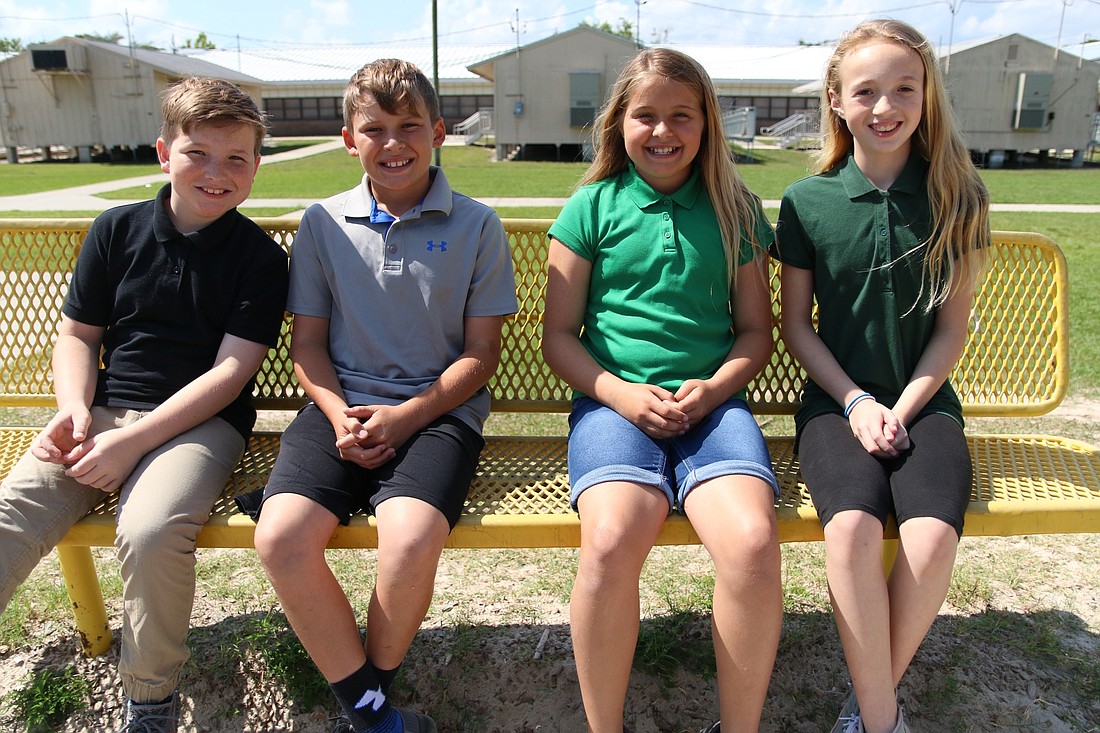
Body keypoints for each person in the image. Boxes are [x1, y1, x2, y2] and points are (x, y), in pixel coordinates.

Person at [0, 77, 289, 732]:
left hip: (201, 427)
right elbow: (77, 334)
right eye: (198, 153)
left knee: (152, 529)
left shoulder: (260, 261)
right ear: (165, 153)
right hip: (102, 415)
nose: (216, 173)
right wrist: (74, 407)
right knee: (12, 512)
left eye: (235, 158)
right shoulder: (116, 230)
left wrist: (133, 442)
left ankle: (150, 696)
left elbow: (230, 373)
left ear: (255, 167)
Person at [244, 59, 517, 733]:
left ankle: (370, 702)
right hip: (338, 410)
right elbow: (309, 345)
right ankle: (375, 716)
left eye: (410, 127)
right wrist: (339, 413)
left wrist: (406, 417)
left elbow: (482, 354)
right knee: (279, 536)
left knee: (409, 540)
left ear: (440, 132)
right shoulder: (322, 223)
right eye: (375, 129)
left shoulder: (479, 224)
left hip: (437, 416)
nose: (393, 144)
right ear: (348, 139)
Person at [541, 48, 782, 733]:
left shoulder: (733, 208)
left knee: (753, 542)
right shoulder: (592, 205)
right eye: (645, 115)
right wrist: (619, 394)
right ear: (619, 122)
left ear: (707, 124)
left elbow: (755, 334)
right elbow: (559, 335)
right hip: (613, 406)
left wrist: (711, 391)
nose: (663, 130)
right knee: (613, 538)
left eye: (682, 114)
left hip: (714, 408)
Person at [773, 19, 990, 733]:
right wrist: (859, 400)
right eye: (866, 91)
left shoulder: (959, 194)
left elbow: (952, 330)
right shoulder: (809, 202)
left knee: (929, 538)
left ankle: (870, 710)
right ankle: (884, 719)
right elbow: (797, 325)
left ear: (927, 96)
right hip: (836, 407)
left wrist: (904, 404)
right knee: (855, 532)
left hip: (927, 406)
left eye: (904, 88)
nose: (886, 106)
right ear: (836, 100)